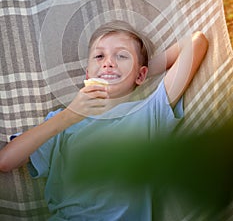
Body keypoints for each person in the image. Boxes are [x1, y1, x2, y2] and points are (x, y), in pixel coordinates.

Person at [0, 20, 208, 220]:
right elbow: (6, 160)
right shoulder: (61, 122)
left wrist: (138, 74)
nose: (108, 63)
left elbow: (195, 42)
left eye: (121, 56)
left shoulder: (148, 111)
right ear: (88, 74)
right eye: (99, 56)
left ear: (141, 75)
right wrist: (70, 115)